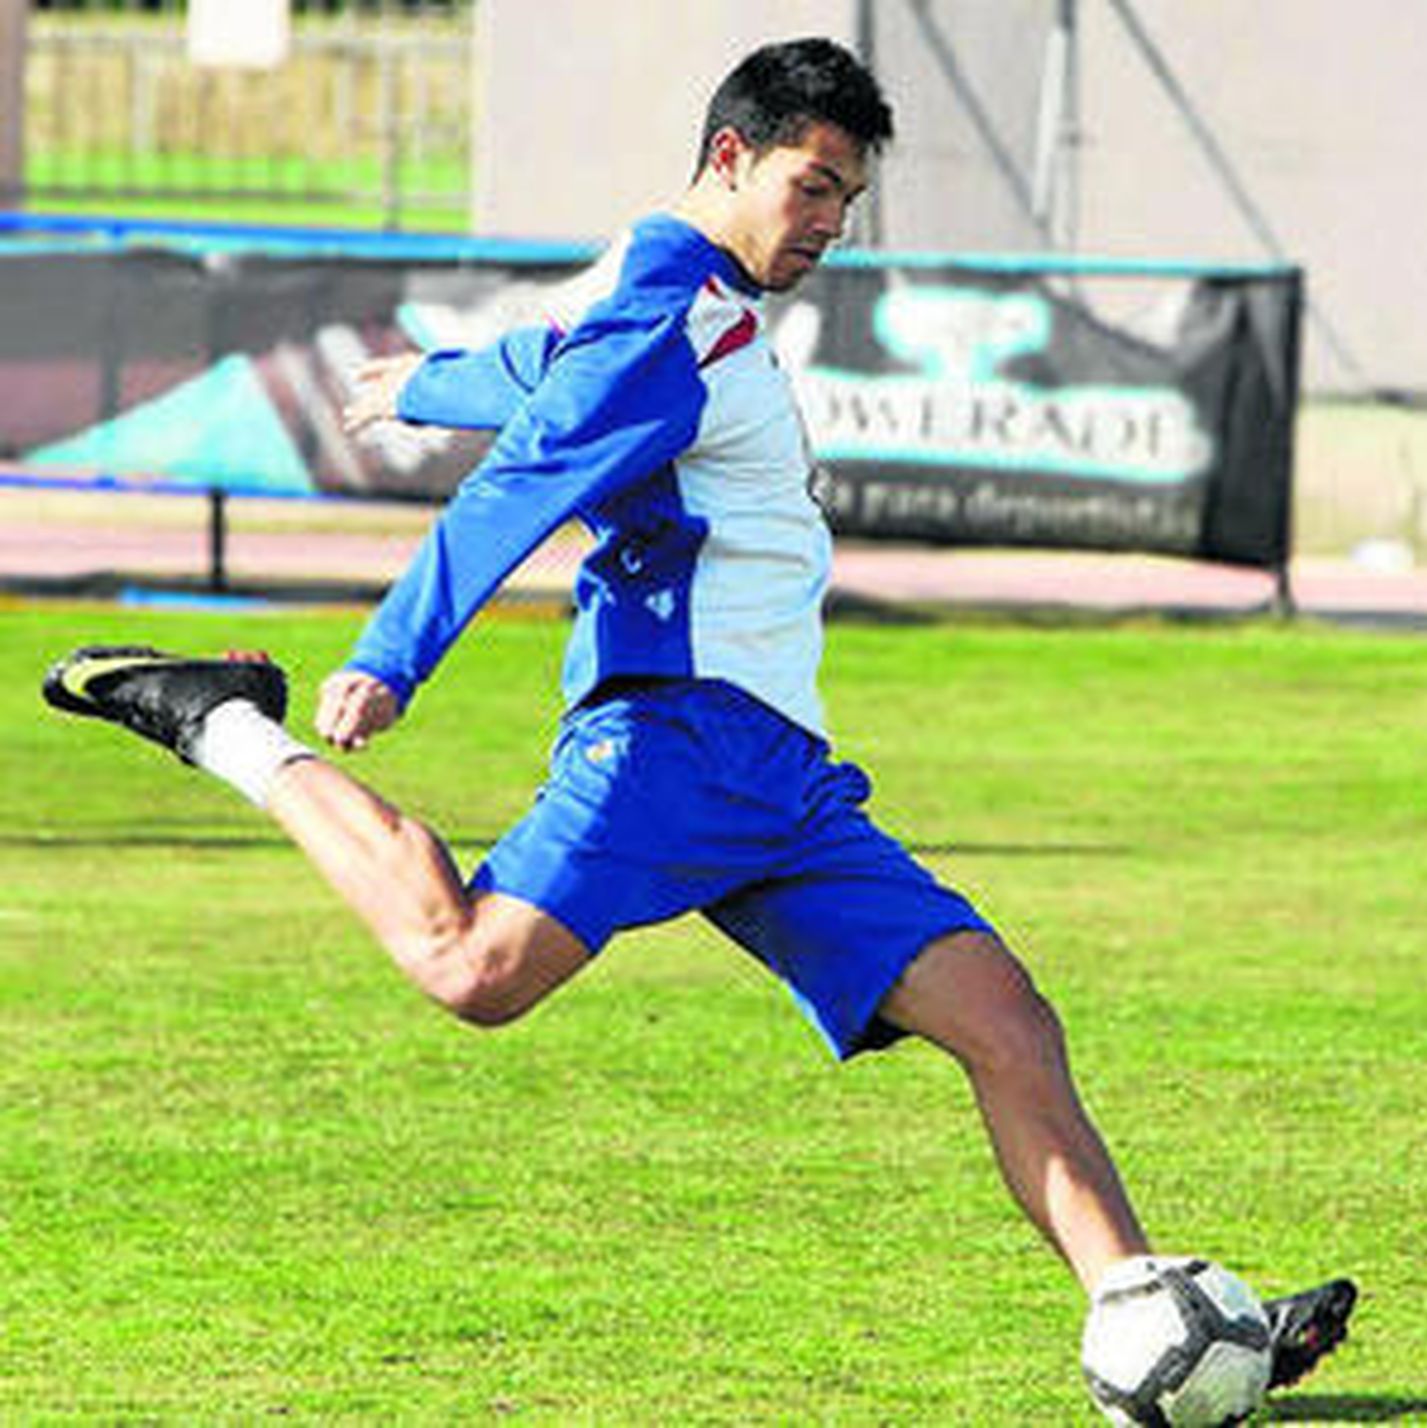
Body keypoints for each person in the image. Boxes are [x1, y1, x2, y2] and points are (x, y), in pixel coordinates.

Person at [43, 36, 1353, 1400]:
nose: (833, 223)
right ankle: (225, 725)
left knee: (1009, 1021)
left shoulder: (666, 293)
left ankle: (1158, 1319)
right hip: (674, 742)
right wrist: (392, 655)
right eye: (814, 186)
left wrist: (430, 381)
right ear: (732, 157)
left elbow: (546, 366)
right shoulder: (666, 311)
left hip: (779, 781)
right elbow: (539, 464)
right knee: (470, 969)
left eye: (849, 199)